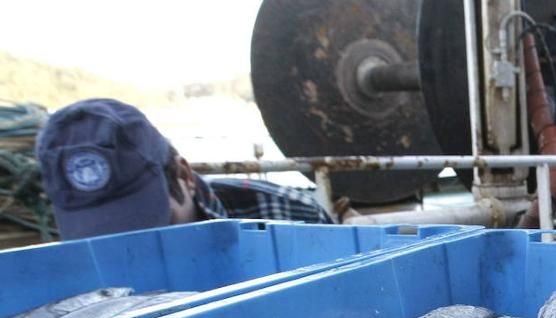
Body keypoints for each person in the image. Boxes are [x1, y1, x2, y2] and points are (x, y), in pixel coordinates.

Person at [36, 98, 334, 240]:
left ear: (183, 175)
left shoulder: (297, 218)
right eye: (97, 240)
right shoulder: (56, 268)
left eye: (150, 227)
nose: (130, 250)